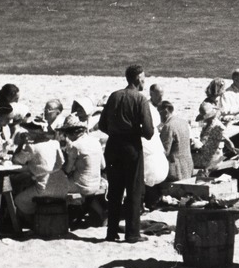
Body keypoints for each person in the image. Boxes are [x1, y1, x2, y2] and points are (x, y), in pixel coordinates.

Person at [98, 64, 154, 243]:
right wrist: (134, 130)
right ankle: (132, 233)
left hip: (113, 145)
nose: (145, 81)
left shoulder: (115, 96)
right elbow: (149, 131)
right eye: (144, 78)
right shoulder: (140, 99)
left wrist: (116, 132)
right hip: (131, 145)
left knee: (115, 189)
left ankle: (111, 231)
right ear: (138, 79)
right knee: (134, 190)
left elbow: (102, 125)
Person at [11, 128, 68, 220]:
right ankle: (38, 219)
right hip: (62, 184)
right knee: (28, 182)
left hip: (44, 187)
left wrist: (22, 143)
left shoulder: (31, 147)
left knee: (19, 200)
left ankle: (32, 221)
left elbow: (16, 160)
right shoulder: (55, 143)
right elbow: (62, 162)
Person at [56, 115, 107, 197]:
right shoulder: (95, 142)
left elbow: (67, 170)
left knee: (55, 185)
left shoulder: (76, 146)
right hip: (96, 184)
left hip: (82, 186)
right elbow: (103, 166)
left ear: (71, 133)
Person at [157, 101, 193, 183]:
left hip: (175, 170)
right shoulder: (183, 122)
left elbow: (164, 151)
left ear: (165, 111)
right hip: (187, 166)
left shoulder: (168, 126)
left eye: (158, 113)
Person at [192, 101, 227, 170]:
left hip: (211, 161)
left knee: (186, 159)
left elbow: (202, 146)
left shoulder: (213, 127)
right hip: (218, 157)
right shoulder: (218, 125)